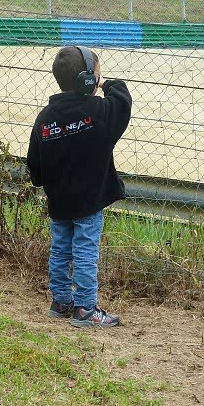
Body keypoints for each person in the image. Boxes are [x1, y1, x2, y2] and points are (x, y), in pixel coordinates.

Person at [26, 46, 132, 327]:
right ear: (88, 80)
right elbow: (122, 101)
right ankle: (85, 308)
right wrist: (106, 83)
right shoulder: (98, 110)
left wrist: (43, 180)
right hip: (89, 200)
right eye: (95, 75)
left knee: (61, 249)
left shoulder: (45, 116)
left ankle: (61, 301)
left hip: (59, 199)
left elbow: (33, 159)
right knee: (85, 251)